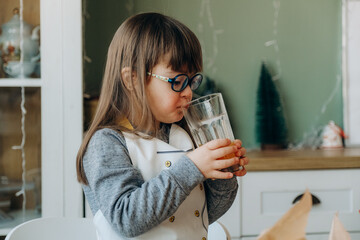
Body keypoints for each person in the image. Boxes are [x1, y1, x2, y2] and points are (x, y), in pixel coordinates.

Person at [76, 12, 249, 240]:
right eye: (177, 81)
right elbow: (126, 218)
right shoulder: (106, 143)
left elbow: (203, 216)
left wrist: (221, 174)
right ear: (132, 79)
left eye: (192, 80)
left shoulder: (182, 134)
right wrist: (193, 168)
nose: (188, 92)